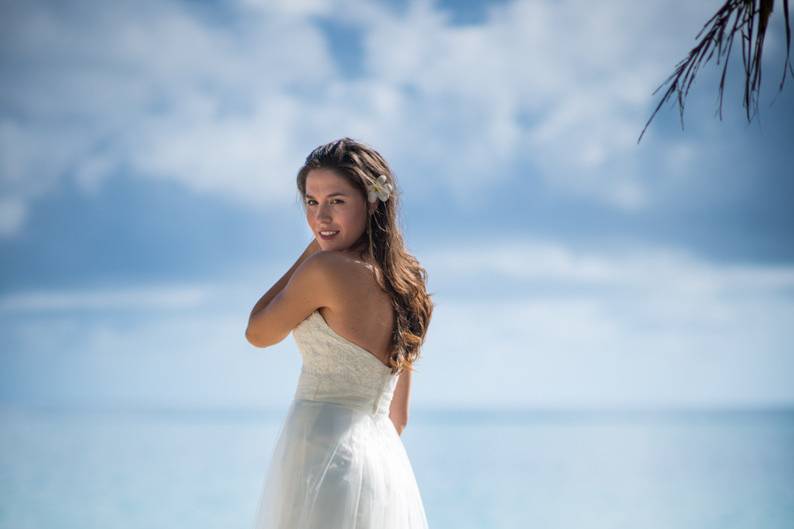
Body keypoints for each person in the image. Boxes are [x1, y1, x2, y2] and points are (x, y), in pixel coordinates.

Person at [245, 137, 434, 529]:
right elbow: (398, 417)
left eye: (337, 201)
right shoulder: (408, 281)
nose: (321, 217)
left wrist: (314, 251)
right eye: (312, 202)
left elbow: (258, 330)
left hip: (321, 454)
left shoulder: (325, 271)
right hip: (382, 464)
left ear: (372, 201)